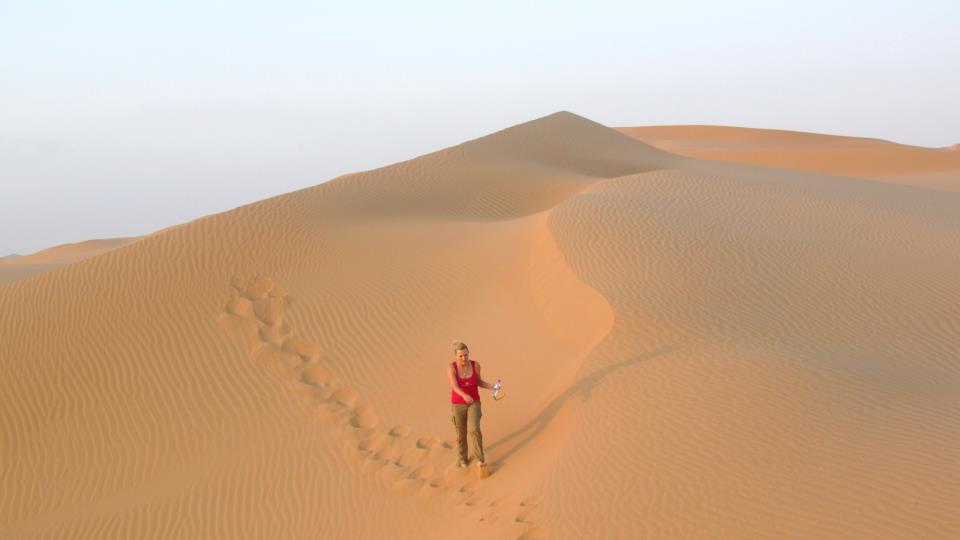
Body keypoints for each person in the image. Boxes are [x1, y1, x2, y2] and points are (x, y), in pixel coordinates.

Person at [447, 340, 495, 469]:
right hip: (458, 404)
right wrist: (464, 395)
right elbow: (454, 386)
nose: (464, 358)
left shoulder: (475, 365)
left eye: (466, 355)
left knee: (474, 429)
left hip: (474, 402)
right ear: (455, 356)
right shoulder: (451, 368)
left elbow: (479, 381)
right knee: (461, 433)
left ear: (468, 353)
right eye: (460, 356)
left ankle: (480, 459)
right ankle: (463, 459)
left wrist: (491, 386)